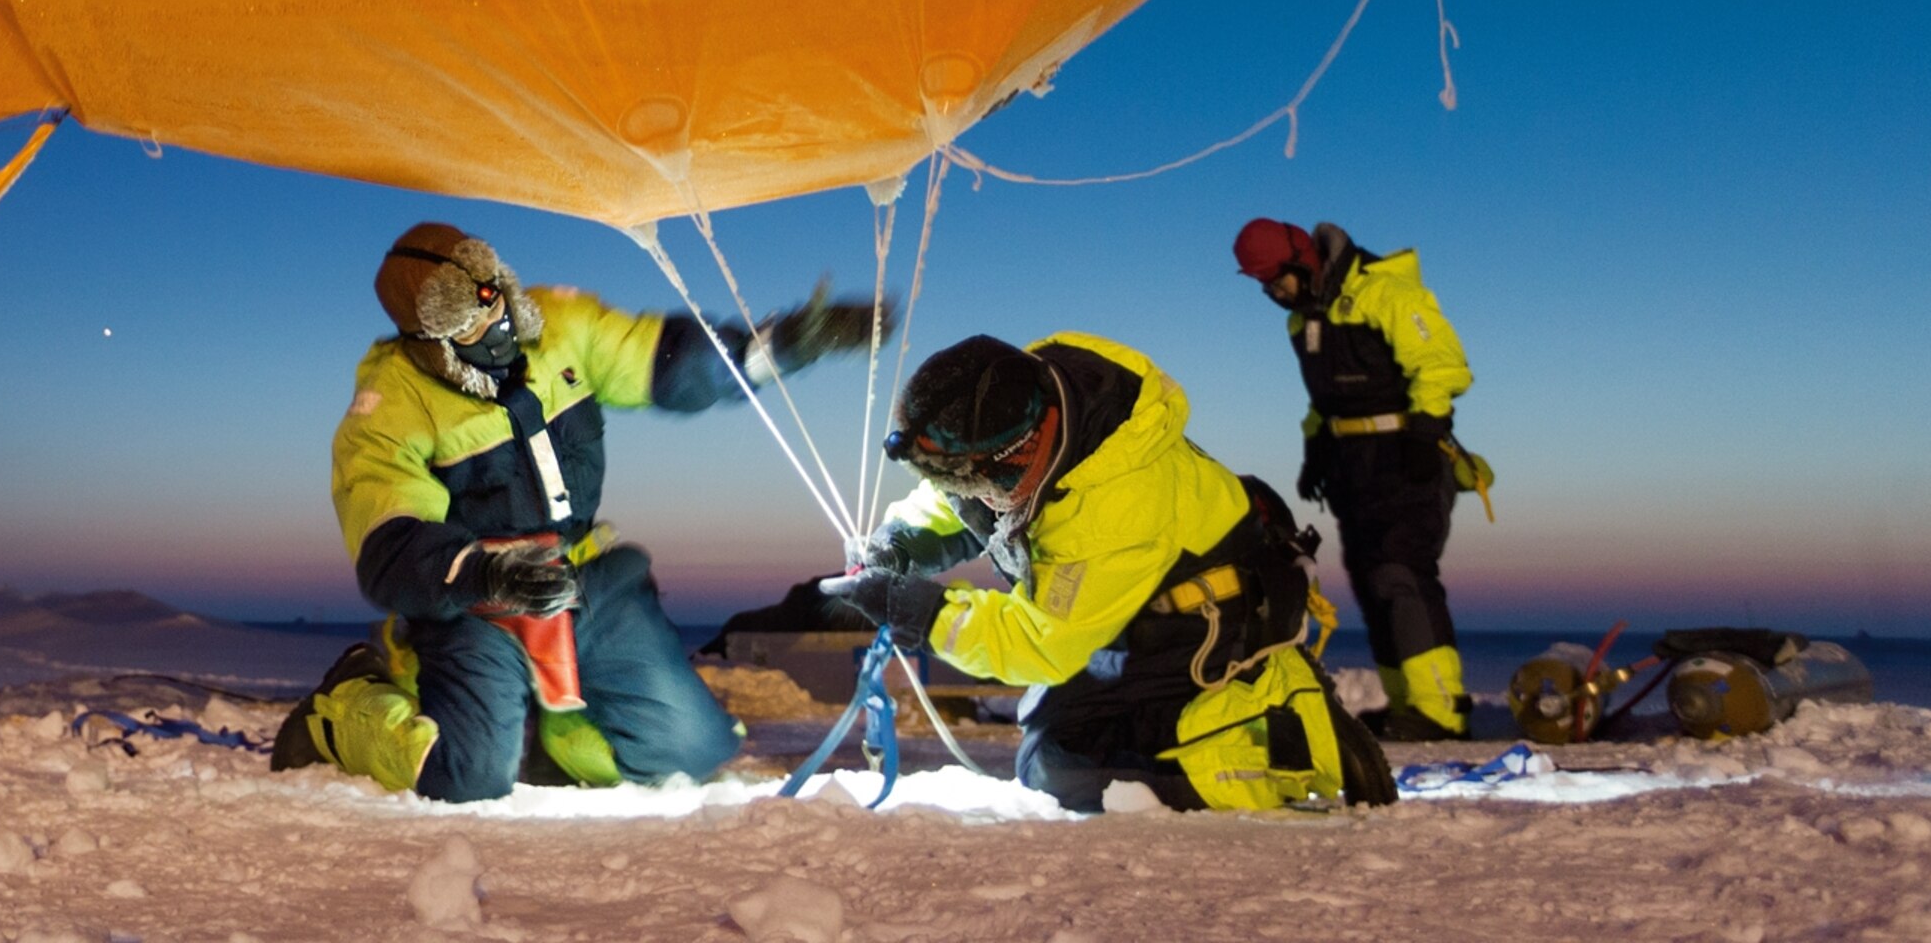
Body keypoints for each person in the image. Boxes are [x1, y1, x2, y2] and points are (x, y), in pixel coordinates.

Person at [275, 221, 886, 802]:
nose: (495, 326)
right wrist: (484, 575)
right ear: (427, 338)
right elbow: (390, 540)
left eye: (494, 302)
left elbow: (663, 362)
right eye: (467, 325)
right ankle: (346, 704)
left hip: (583, 577)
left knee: (690, 751)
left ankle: (548, 738)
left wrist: (780, 346)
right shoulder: (392, 400)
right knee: (464, 778)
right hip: (478, 599)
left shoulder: (560, 324)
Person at [822, 332, 1387, 812]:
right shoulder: (1029, 400)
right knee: (1048, 751)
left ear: (1017, 454)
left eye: (973, 481)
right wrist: (903, 541)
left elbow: (1038, 644)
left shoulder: (1115, 509)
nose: (966, 494)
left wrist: (921, 612)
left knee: (1075, 775)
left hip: (1199, 627)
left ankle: (1285, 724)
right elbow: (957, 491)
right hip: (1126, 610)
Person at [1232, 215, 1481, 740]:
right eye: (1263, 285)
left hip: (1405, 450)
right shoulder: (1303, 321)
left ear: (1304, 259)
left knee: (1402, 570)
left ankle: (1441, 709)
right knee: (1373, 582)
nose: (1274, 292)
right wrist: (1315, 451)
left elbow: (1442, 365)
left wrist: (1424, 433)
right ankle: (1407, 704)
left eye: (1278, 278)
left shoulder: (1384, 292)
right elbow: (1323, 400)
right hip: (1352, 461)